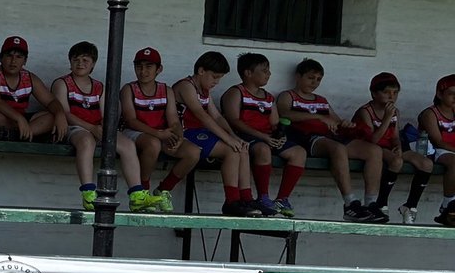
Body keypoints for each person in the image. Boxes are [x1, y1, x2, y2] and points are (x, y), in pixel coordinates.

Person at [51, 40, 156, 212]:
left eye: (85, 60)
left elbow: (107, 115)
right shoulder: (62, 83)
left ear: (93, 64)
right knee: (86, 142)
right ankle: (88, 193)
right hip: (75, 128)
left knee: (128, 145)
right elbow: (66, 114)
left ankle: (137, 195)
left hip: (96, 129)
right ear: (70, 62)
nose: (80, 64)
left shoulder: (99, 87)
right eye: (76, 59)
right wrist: (92, 128)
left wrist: (103, 127)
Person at [277, 58, 386, 223]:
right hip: (307, 138)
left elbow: (335, 121)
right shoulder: (288, 95)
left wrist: (345, 124)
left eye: (318, 79)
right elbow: (284, 113)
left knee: (374, 151)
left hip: (330, 137)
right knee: (338, 149)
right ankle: (350, 204)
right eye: (310, 78)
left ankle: (371, 204)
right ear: (298, 77)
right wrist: (319, 118)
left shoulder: (321, 100)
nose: (314, 83)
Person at [156, 51, 259, 217]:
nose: (216, 82)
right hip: (182, 132)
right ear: (201, 71)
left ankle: (246, 198)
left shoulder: (204, 89)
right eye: (215, 77)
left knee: (241, 148)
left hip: (198, 132)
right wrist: (227, 139)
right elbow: (201, 115)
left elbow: (216, 116)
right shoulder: (186, 86)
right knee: (231, 150)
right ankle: (232, 201)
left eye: (219, 78)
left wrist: (234, 137)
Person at [220, 52, 303, 217]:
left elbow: (274, 123)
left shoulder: (268, 97)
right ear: (248, 73)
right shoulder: (236, 92)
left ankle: (282, 198)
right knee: (263, 150)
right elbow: (234, 120)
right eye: (264, 70)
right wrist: (262, 136)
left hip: (267, 137)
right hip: (245, 137)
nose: (269, 74)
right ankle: (263, 197)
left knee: (299, 153)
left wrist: (280, 136)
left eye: (268, 70)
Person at [350, 72, 434, 223]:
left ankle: (410, 206)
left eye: (395, 93)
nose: (392, 96)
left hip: (390, 146)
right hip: (371, 147)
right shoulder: (366, 111)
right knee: (396, 162)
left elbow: (395, 135)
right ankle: (381, 203)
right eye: (386, 92)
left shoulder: (395, 111)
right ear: (374, 93)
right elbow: (373, 140)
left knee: (426, 164)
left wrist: (398, 146)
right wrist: (387, 118)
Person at [120, 47, 186, 207]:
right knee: (153, 144)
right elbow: (131, 121)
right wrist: (158, 134)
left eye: (148, 67)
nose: (143, 71)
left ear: (159, 69)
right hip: (134, 133)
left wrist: (179, 136)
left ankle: (163, 190)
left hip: (161, 133)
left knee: (193, 152)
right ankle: (142, 191)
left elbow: (174, 121)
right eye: (139, 66)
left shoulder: (166, 90)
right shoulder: (129, 89)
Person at [0, 35, 59, 142]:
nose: (13, 61)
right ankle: (24, 134)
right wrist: (19, 119)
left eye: (19, 57)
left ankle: (22, 134)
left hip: (19, 121)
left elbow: (51, 101)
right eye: (9, 56)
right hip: (2, 120)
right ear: (1, 57)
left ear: (25, 61)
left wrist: (60, 115)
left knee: (52, 117)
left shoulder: (29, 77)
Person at [418, 76, 455, 227]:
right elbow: (438, 141)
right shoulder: (430, 113)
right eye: (451, 94)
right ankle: (447, 203)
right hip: (435, 151)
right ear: (439, 94)